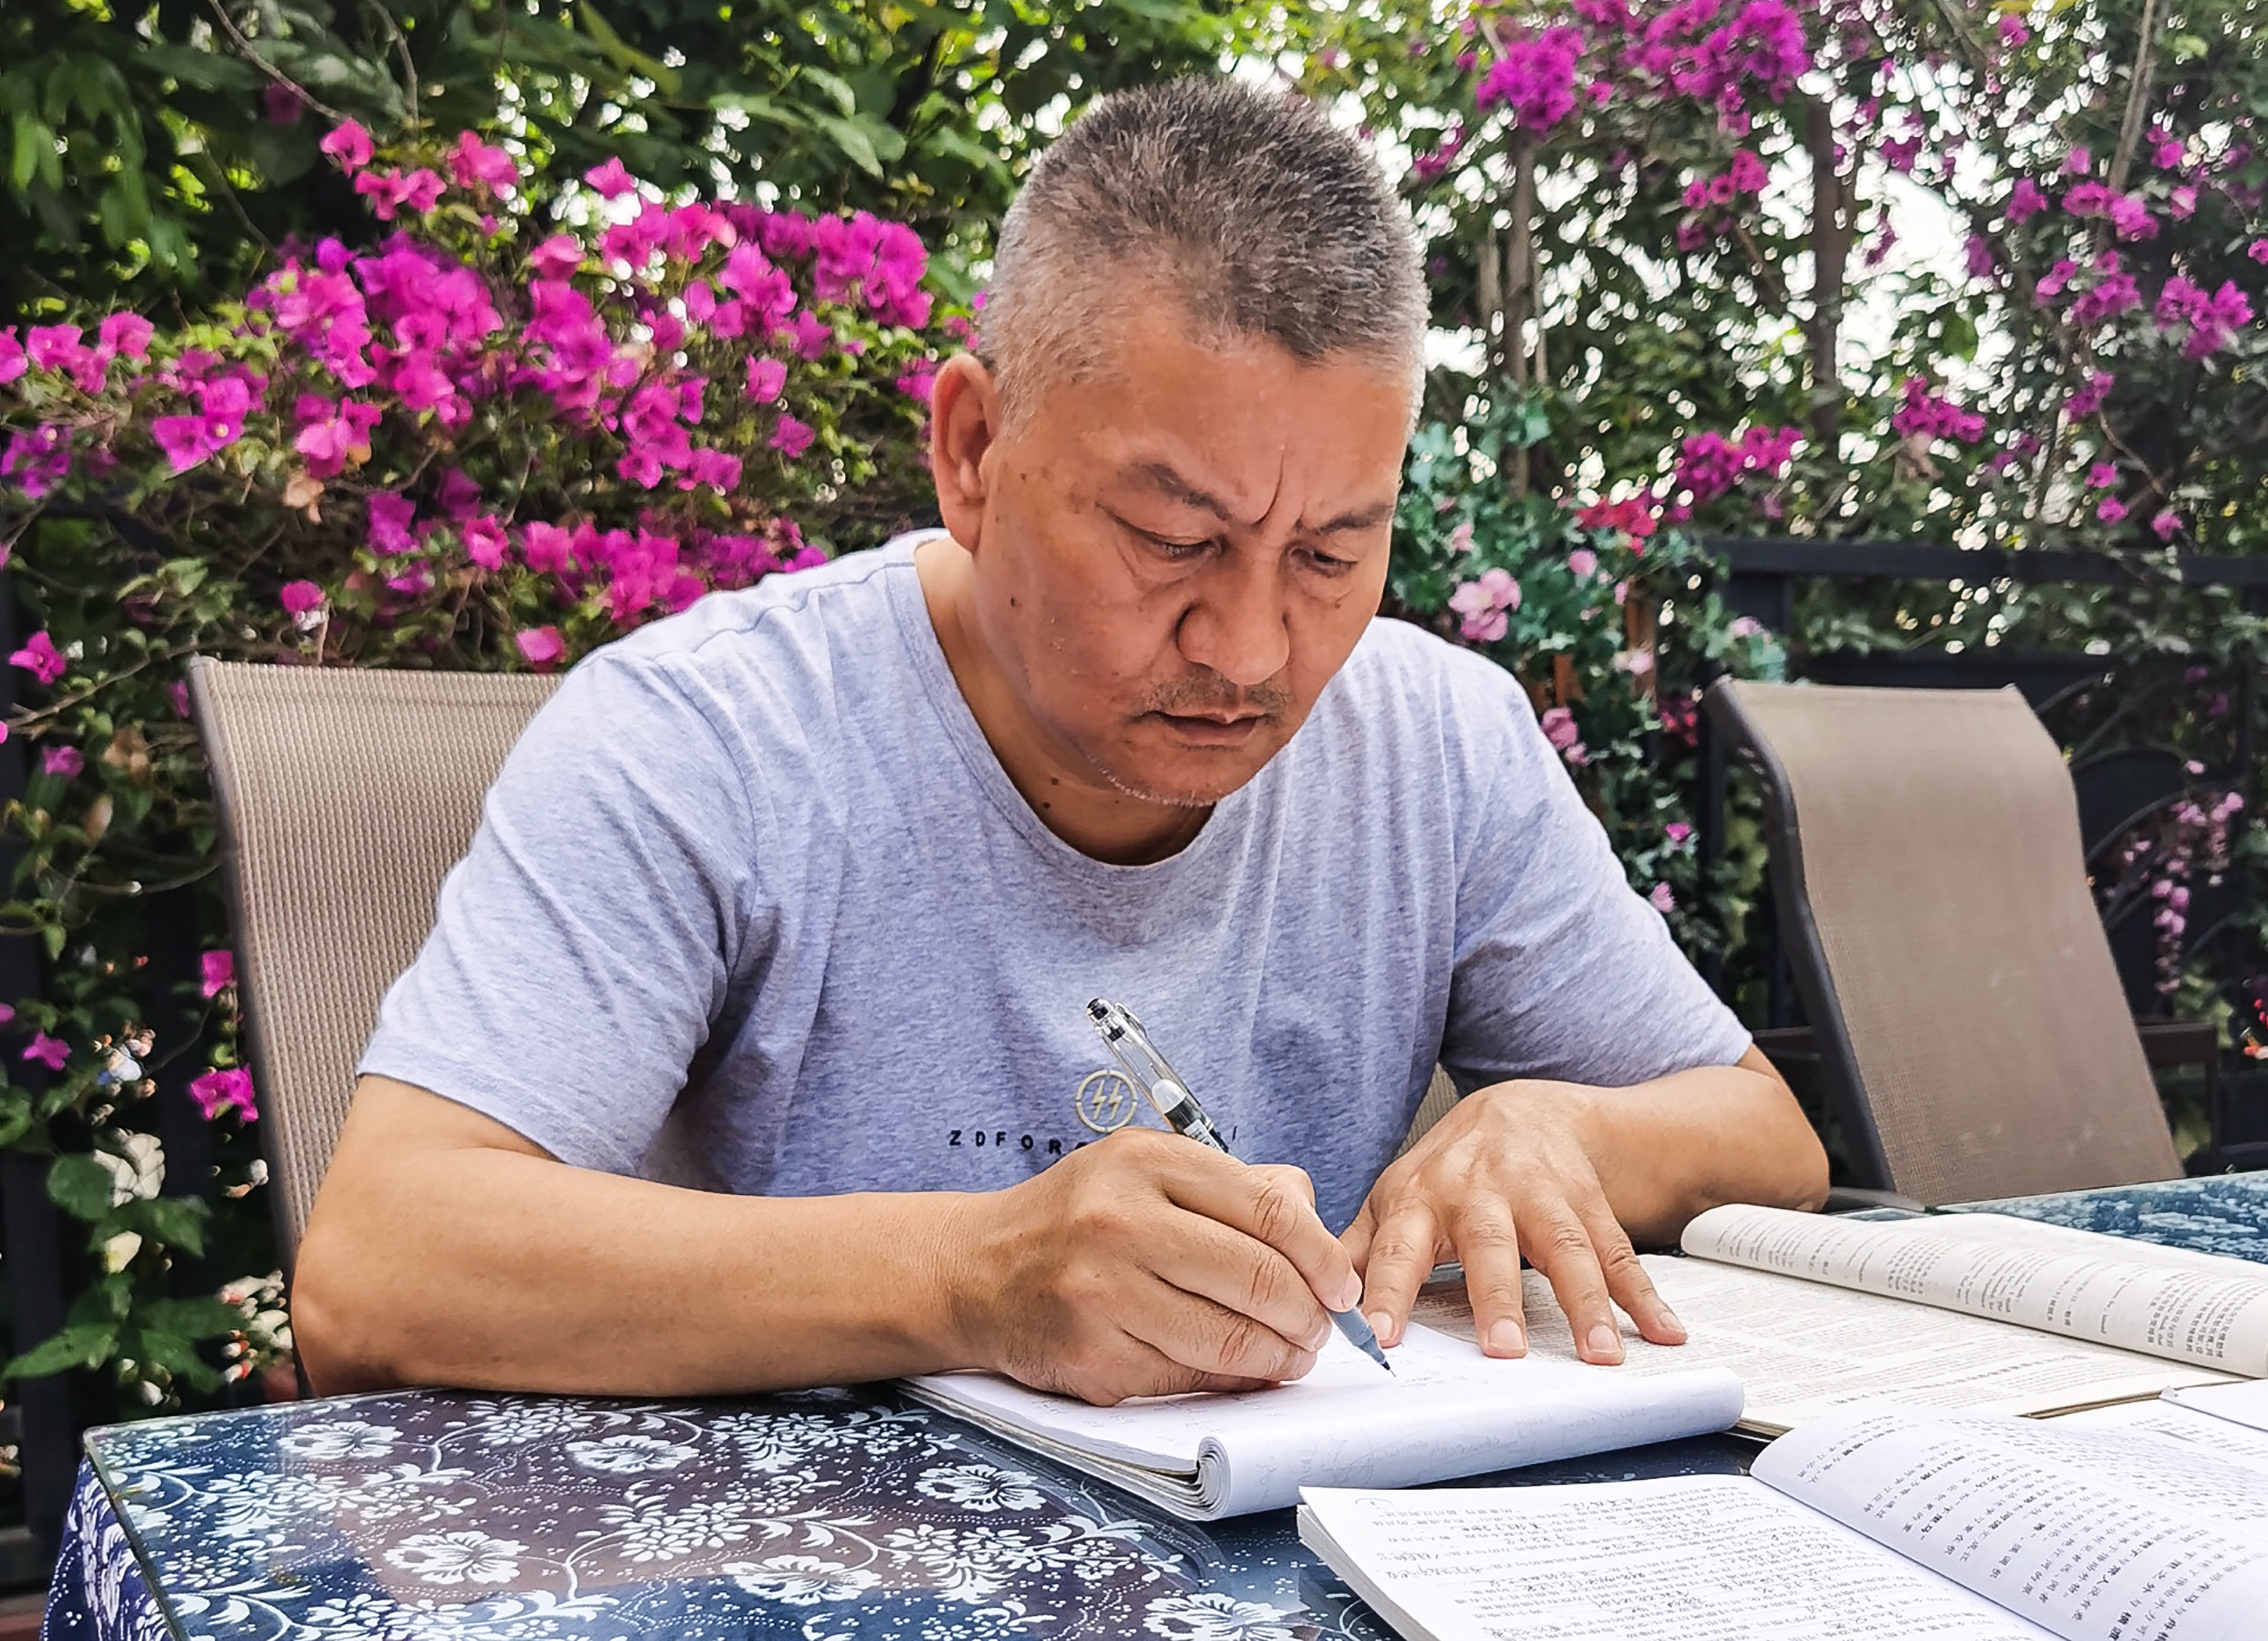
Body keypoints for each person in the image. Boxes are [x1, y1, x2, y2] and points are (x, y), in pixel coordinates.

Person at [293, 78, 1830, 1407]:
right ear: (971, 450)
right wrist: (972, 1273)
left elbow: (1764, 1137)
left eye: (1328, 554)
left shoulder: (1436, 744)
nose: (1246, 650)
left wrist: (1552, 1123)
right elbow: (380, 1267)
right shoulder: (713, 734)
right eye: (1172, 537)